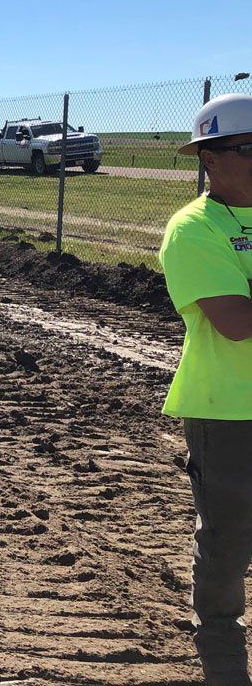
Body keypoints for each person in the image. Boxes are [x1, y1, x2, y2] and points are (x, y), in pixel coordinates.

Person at [161, 93, 252, 685]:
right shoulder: (194, 228)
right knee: (230, 529)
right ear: (210, 159)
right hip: (227, 408)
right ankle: (219, 628)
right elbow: (237, 322)